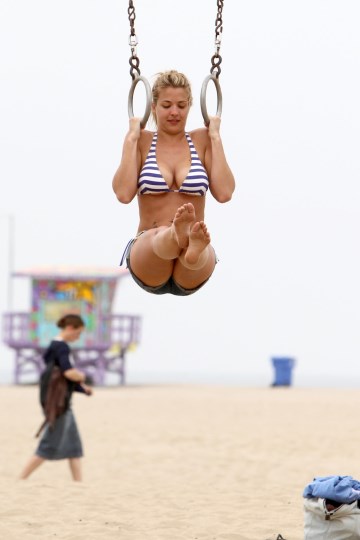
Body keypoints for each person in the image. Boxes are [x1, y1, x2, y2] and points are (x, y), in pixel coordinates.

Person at [113, 70, 235, 296]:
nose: (174, 112)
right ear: (154, 107)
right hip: (149, 249)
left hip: (193, 261)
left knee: (196, 251)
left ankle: (191, 249)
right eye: (167, 105)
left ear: (190, 106)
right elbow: (123, 193)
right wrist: (131, 139)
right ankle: (176, 235)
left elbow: (225, 192)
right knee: (160, 235)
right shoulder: (142, 141)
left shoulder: (202, 140)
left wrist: (216, 138)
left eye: (181, 105)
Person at [20, 314, 93, 482]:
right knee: (48, 445)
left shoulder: (52, 346)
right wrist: (82, 376)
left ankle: (79, 483)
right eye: (78, 332)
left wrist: (83, 389)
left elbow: (60, 378)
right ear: (69, 328)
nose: (78, 337)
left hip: (58, 400)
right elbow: (68, 372)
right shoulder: (62, 347)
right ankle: (21, 479)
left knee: (74, 446)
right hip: (59, 403)